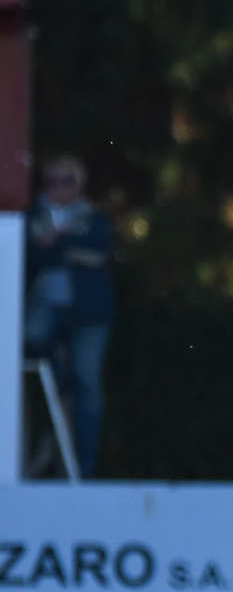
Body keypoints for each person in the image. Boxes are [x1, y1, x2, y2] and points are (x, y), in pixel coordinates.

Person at [24, 155, 115, 477]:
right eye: (52, 181)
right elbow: (30, 253)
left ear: (79, 184)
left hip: (88, 316)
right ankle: (59, 383)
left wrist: (56, 245)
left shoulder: (96, 218)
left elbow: (99, 250)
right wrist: (70, 249)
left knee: (88, 383)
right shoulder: (31, 216)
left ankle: (83, 470)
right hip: (47, 309)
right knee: (30, 337)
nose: (59, 188)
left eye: (67, 180)